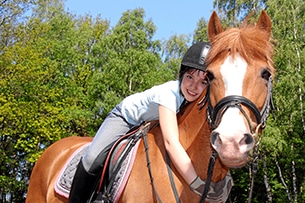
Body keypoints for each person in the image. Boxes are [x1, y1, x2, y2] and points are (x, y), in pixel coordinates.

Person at [69, 42, 224, 203]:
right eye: (190, 77)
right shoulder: (168, 95)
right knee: (92, 158)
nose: (194, 86)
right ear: (181, 75)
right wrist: (196, 183)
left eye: (203, 82)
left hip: (148, 122)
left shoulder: (195, 102)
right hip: (125, 118)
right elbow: (171, 143)